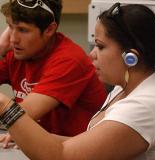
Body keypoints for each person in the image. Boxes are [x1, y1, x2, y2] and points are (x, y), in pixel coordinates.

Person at [1, 2, 155, 160]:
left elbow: (61, 155)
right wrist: (29, 137)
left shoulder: (143, 106)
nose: (91, 55)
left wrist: (4, 106)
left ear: (131, 58)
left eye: (100, 46)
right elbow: (82, 145)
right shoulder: (124, 86)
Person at [0, 0, 107, 148]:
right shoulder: (17, 53)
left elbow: (21, 115)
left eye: (23, 30)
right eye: (10, 27)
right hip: (44, 146)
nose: (13, 39)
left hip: (78, 150)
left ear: (49, 30)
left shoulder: (70, 60)